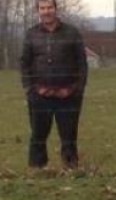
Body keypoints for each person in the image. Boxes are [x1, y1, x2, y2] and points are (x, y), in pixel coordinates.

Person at [20, 0, 87, 169]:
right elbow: (24, 63)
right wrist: (30, 89)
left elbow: (82, 64)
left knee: (69, 136)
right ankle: (37, 169)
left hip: (68, 95)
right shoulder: (31, 34)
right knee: (38, 135)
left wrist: (77, 89)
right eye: (42, 8)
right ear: (38, 11)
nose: (46, 11)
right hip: (40, 95)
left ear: (56, 9)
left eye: (49, 7)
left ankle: (71, 168)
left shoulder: (72, 33)